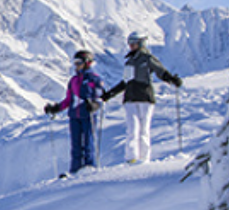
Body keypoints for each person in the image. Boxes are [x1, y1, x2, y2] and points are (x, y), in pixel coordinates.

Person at [101, 31, 183, 164]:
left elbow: (160, 71)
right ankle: (131, 158)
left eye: (134, 42)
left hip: (145, 97)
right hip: (130, 98)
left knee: (144, 129)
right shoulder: (129, 62)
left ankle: (144, 159)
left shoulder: (147, 58)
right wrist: (109, 94)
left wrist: (171, 79)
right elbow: (125, 82)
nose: (131, 45)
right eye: (130, 43)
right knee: (132, 129)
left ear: (141, 43)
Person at [44, 49, 106, 175]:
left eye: (79, 62)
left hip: (87, 115)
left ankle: (90, 168)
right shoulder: (73, 80)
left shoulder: (94, 79)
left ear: (87, 63)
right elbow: (68, 100)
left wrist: (94, 105)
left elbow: (100, 97)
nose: (76, 65)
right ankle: (75, 170)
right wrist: (56, 108)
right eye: (75, 62)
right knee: (75, 146)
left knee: (88, 143)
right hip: (74, 116)